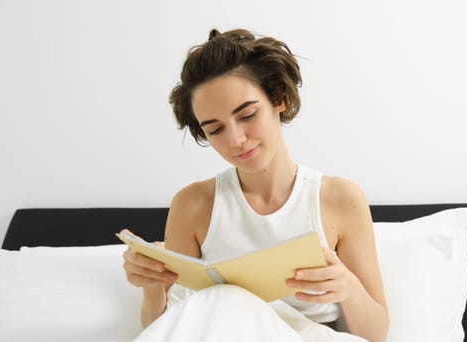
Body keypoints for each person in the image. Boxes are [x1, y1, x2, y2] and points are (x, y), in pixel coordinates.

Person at [122, 28, 389, 342]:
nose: (235, 140)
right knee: (224, 300)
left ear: (279, 98)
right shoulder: (193, 205)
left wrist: (349, 288)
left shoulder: (340, 200)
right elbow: (168, 330)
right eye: (215, 129)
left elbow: (377, 335)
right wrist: (152, 287)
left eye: (247, 115)